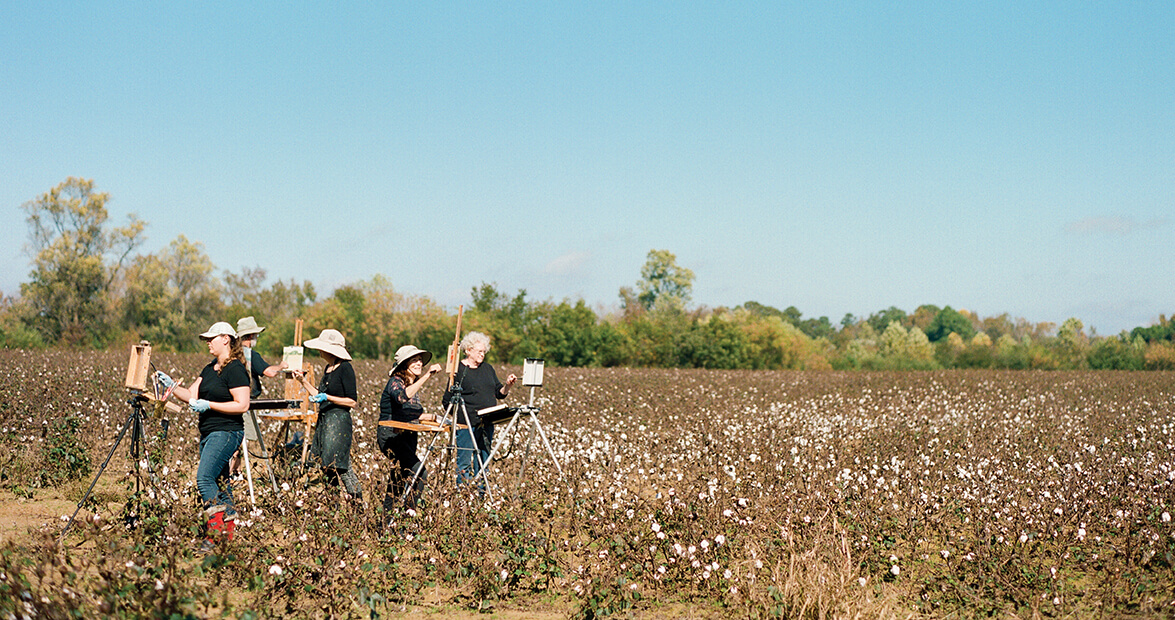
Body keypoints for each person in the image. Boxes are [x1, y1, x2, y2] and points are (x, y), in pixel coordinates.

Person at [155, 322, 250, 552]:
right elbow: (190, 395)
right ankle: (228, 537)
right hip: (208, 432)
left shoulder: (235, 369)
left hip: (227, 432)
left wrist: (209, 405)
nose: (208, 342)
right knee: (220, 482)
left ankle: (214, 533)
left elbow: (242, 404)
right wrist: (171, 386)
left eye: (212, 338)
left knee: (204, 478)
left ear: (226, 339)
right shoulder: (209, 369)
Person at [293, 328, 362, 500]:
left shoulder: (345, 368)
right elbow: (318, 394)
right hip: (325, 421)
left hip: (339, 422)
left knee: (341, 467)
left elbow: (352, 401)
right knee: (326, 466)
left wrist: (328, 397)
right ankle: (334, 509)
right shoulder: (328, 368)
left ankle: (358, 508)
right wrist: (302, 381)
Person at [444, 331, 516, 490]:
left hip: (487, 423)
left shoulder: (488, 369)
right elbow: (447, 400)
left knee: (483, 463)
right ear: (468, 350)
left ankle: (481, 499)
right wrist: (459, 418)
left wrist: (508, 385)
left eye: (484, 351)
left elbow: (499, 393)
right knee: (464, 464)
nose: (482, 354)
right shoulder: (458, 370)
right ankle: (462, 500)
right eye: (479, 351)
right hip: (466, 425)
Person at [378, 345, 443, 511]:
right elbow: (401, 397)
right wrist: (428, 375)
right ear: (404, 364)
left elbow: (411, 414)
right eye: (414, 360)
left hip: (408, 436)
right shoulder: (395, 382)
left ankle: (386, 523)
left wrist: (436, 419)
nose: (419, 363)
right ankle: (408, 516)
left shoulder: (412, 384)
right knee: (419, 473)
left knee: (398, 479)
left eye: (420, 360)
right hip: (392, 436)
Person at [231, 316, 288, 474]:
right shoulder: (250, 355)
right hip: (245, 401)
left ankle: (236, 472)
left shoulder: (231, 353)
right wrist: (281, 366)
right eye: (255, 335)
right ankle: (233, 472)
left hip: (229, 402)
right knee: (239, 440)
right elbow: (269, 372)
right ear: (250, 337)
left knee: (234, 438)